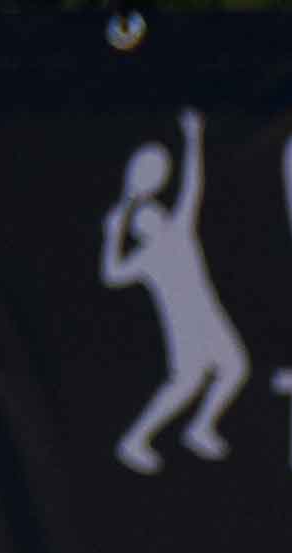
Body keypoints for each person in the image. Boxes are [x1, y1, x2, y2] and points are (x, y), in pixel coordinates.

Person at [103, 119, 247, 477]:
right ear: (143, 229)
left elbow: (193, 186)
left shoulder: (179, 232)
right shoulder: (150, 255)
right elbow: (111, 276)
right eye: (149, 216)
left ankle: (200, 428)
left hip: (209, 316)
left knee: (235, 368)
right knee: (186, 384)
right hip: (184, 327)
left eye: (158, 211)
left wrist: (193, 139)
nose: (157, 214)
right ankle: (135, 439)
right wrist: (112, 233)